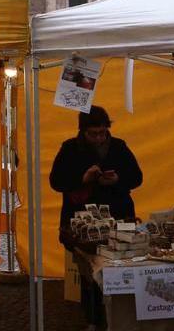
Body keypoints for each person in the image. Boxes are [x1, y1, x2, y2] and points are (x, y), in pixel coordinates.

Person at [49, 106, 142, 331]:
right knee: (89, 274)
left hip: (119, 216)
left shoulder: (119, 146)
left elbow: (137, 177)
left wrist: (118, 179)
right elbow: (56, 181)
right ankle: (92, 320)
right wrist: (83, 178)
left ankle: (120, 317)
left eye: (102, 132)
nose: (99, 138)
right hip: (83, 226)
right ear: (83, 131)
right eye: (94, 134)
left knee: (119, 267)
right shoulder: (70, 148)